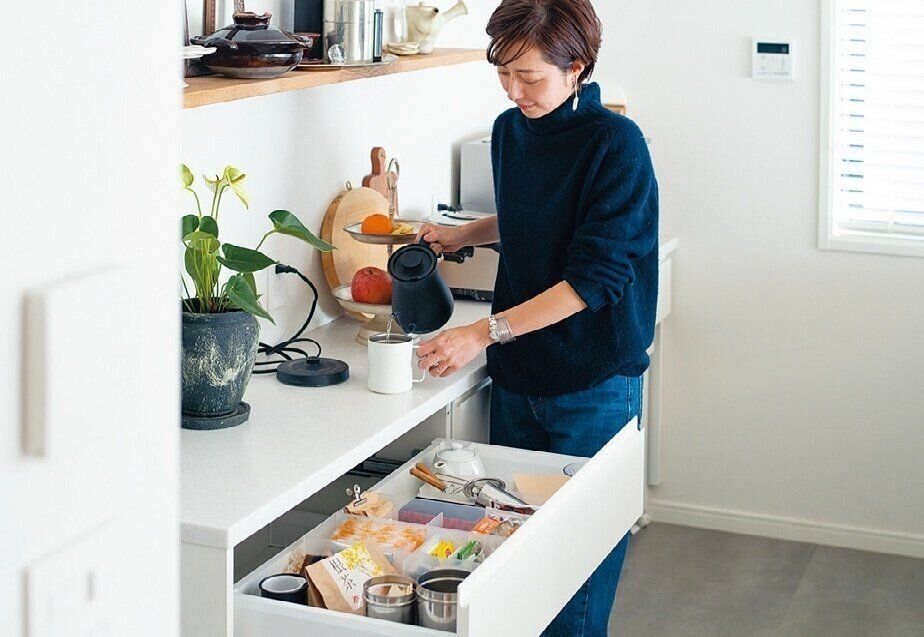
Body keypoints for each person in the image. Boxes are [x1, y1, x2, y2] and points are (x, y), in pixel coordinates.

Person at [415, 0, 658, 634]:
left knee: (575, 586)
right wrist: (463, 233)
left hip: (594, 385)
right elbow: (532, 219)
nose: (513, 91)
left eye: (529, 77)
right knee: (515, 566)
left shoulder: (616, 146)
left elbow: (589, 281)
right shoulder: (510, 131)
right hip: (520, 379)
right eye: (503, 73)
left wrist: (479, 333)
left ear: (576, 67)